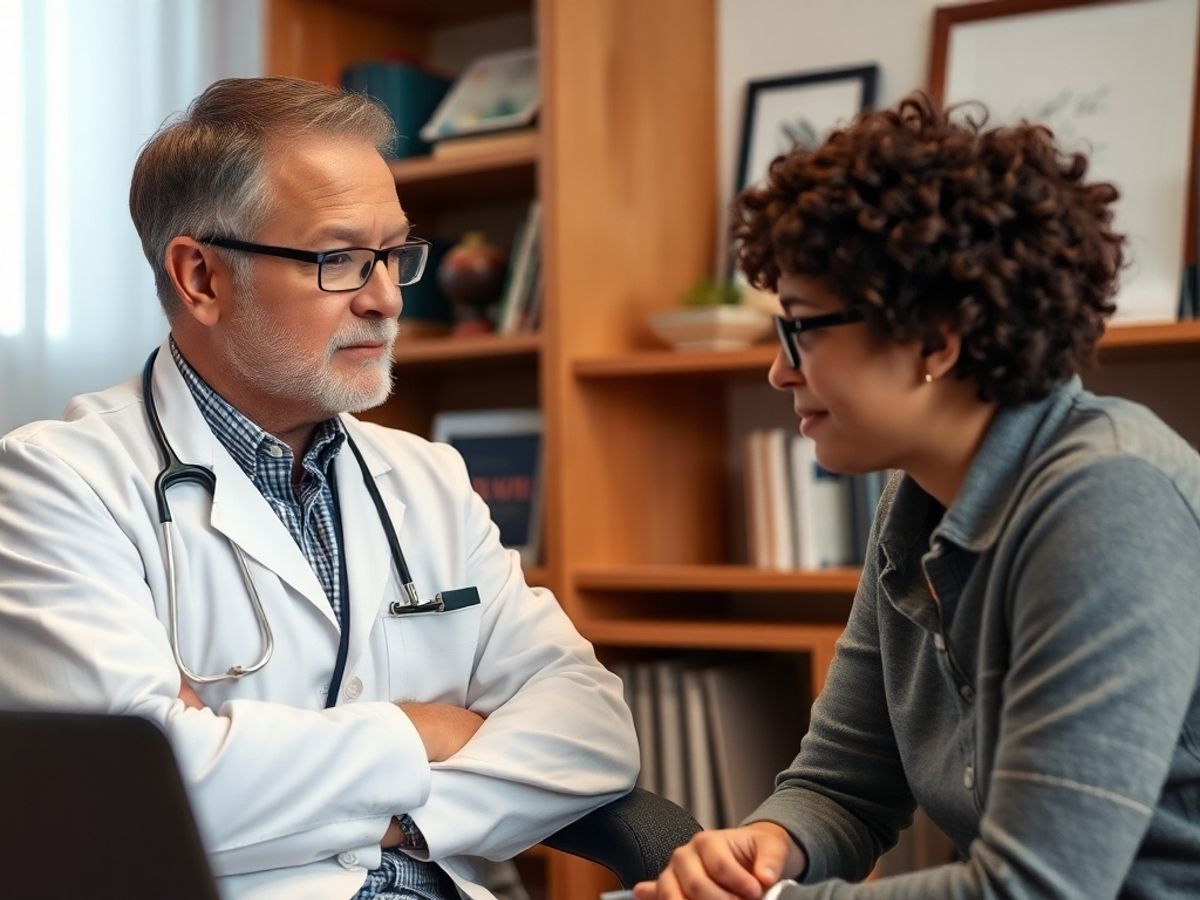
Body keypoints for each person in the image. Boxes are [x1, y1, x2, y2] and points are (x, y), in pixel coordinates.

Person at [0, 77, 638, 900]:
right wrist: (422, 731)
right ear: (200, 277)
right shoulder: (58, 484)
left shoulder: (427, 478)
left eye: (394, 256)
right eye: (338, 259)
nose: (383, 300)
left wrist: (381, 810)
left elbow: (592, 733)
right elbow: (139, 793)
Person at [637, 93, 1200, 899]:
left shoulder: (1111, 500)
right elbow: (842, 786)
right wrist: (761, 852)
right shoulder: (916, 498)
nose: (779, 369)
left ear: (937, 336)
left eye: (801, 327)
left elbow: (1036, 890)